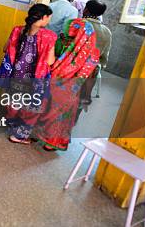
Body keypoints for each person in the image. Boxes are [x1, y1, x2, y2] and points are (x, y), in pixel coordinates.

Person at [36, 17, 100, 151]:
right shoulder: (92, 53)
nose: (68, 37)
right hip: (71, 90)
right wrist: (86, 95)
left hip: (57, 85)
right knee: (61, 117)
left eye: (71, 35)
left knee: (52, 112)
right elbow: (90, 75)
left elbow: (50, 61)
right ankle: (51, 141)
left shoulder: (62, 43)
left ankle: (47, 139)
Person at [0, 4, 56, 145]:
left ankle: (11, 124)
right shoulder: (49, 36)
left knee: (14, 101)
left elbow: (5, 48)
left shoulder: (17, 30)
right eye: (49, 17)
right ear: (43, 17)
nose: (49, 20)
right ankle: (18, 135)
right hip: (35, 79)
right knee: (32, 107)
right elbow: (49, 61)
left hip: (16, 75)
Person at [80, 0, 112, 105]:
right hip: (91, 66)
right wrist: (101, 65)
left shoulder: (78, 24)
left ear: (86, 10)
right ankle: (87, 95)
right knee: (94, 66)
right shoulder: (107, 31)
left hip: (75, 63)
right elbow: (105, 54)